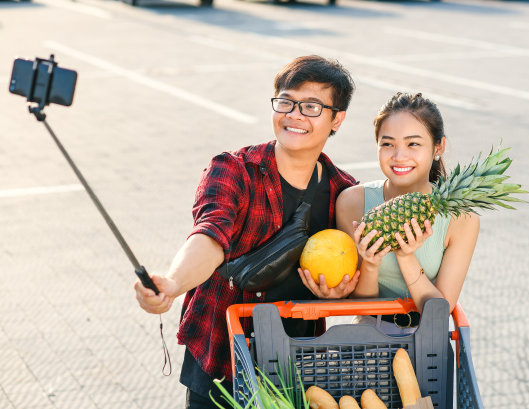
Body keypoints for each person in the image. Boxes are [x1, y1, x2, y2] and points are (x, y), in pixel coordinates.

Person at [133, 55, 360, 408]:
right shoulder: (234, 169)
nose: (295, 115)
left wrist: (338, 295)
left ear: (337, 119)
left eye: (312, 106)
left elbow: (358, 271)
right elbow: (210, 236)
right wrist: (174, 283)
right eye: (286, 101)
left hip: (293, 365)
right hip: (221, 356)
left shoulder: (344, 193)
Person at [329, 92, 480, 333]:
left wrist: (405, 255)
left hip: (428, 337)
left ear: (438, 146)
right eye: (387, 144)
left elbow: (439, 311)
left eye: (413, 144)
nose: (399, 156)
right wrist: (370, 263)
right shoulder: (352, 203)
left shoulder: (461, 218)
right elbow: (361, 307)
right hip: (368, 336)